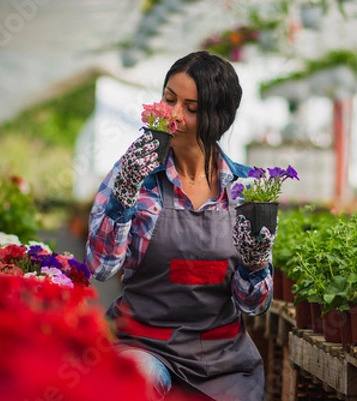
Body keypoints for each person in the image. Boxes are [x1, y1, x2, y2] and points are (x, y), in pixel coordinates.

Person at [86, 51, 276, 401]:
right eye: (169, 99)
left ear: (217, 118)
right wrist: (123, 198)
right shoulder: (136, 176)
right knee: (137, 382)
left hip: (223, 360)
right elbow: (101, 268)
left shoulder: (246, 189)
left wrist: (256, 264)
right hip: (143, 345)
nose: (173, 115)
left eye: (191, 107)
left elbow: (254, 304)